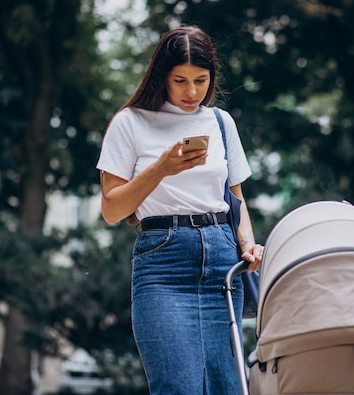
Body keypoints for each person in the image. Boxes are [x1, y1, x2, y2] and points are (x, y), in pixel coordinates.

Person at [96, 25, 263, 395]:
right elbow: (111, 209)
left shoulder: (221, 122)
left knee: (227, 387)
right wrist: (162, 169)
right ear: (162, 77)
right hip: (164, 266)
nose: (192, 92)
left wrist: (248, 243)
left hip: (223, 263)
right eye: (181, 80)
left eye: (201, 80)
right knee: (178, 387)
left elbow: (236, 198)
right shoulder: (131, 122)